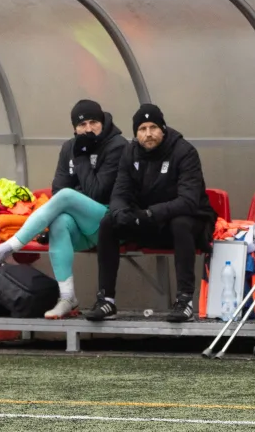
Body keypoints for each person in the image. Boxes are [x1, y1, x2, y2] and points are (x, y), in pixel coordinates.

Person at [83, 104, 217, 322]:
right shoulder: (130, 152)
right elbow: (120, 192)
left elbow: (188, 201)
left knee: (181, 222)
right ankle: (106, 300)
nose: (148, 134)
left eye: (153, 127)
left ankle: (184, 301)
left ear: (162, 128)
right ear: (136, 133)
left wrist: (149, 214)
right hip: (146, 220)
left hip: (188, 223)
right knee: (108, 223)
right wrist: (120, 212)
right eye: (142, 129)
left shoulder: (184, 152)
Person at [0, 100, 127, 318]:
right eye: (82, 124)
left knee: (67, 196)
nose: (88, 129)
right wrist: (74, 195)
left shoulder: (117, 146)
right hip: (83, 228)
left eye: (93, 122)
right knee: (59, 221)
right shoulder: (69, 147)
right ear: (74, 128)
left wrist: (82, 157)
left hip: (109, 224)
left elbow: (97, 192)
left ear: (102, 122)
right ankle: (67, 297)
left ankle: (8, 247)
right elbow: (58, 189)